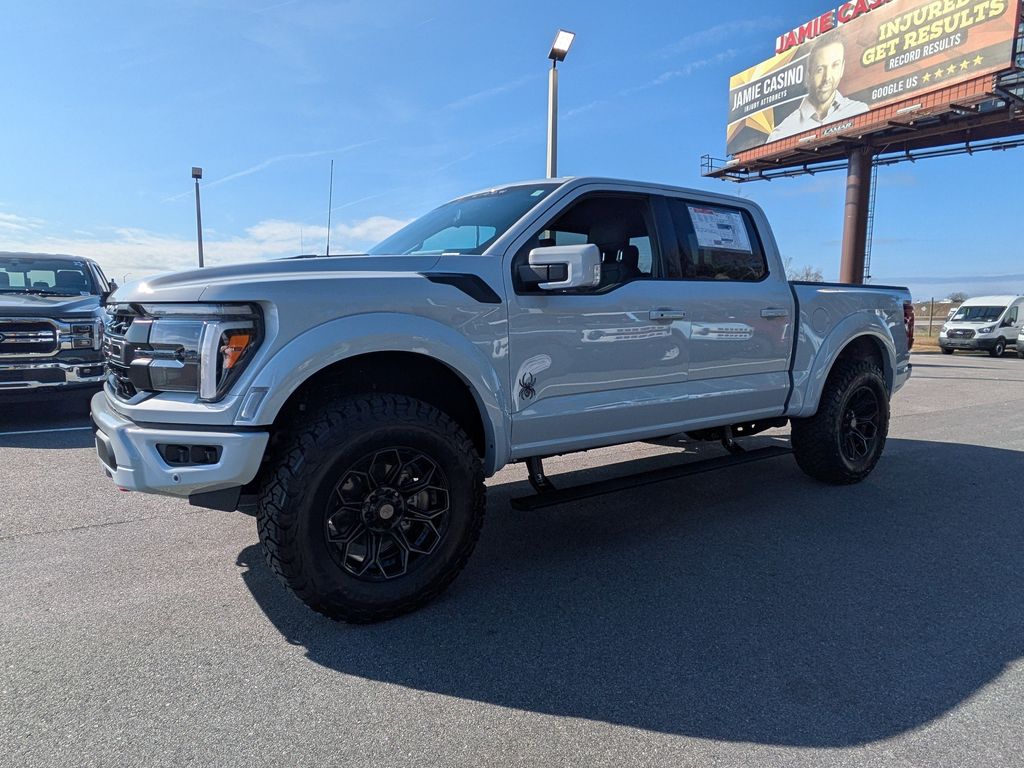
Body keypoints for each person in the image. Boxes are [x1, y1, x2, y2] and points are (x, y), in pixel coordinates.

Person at [767, 30, 868, 143]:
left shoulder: (859, 111)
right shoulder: (782, 133)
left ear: (842, 68)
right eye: (820, 69)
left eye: (835, 65)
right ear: (809, 74)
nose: (827, 77)